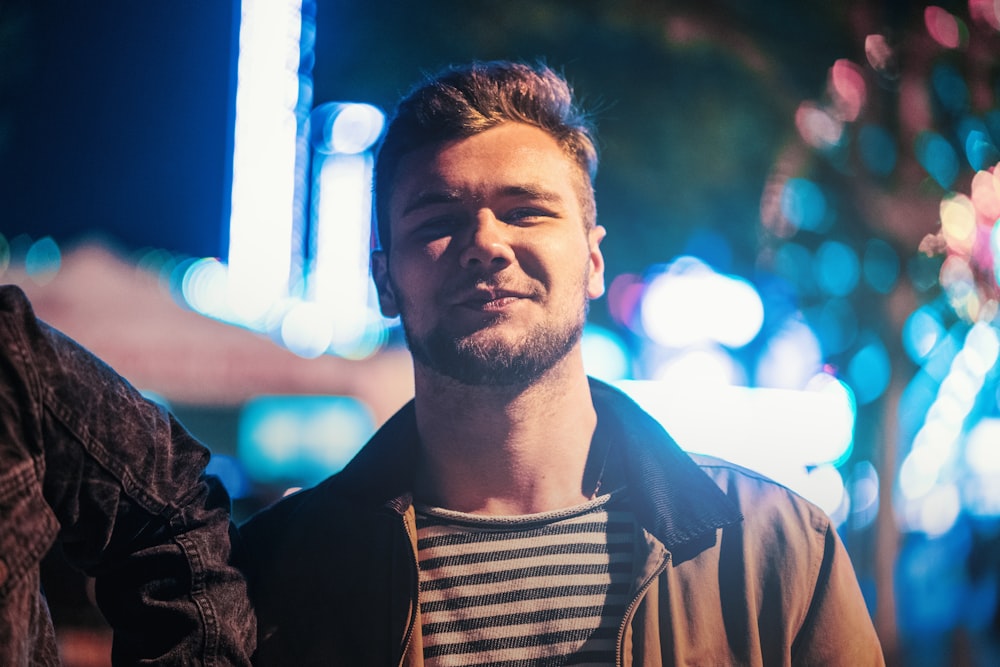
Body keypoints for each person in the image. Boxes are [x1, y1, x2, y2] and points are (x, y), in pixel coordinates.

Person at [2, 60, 885, 665]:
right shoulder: (272, 574)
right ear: (386, 281)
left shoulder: (776, 549)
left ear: (594, 261)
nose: (485, 244)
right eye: (436, 222)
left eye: (526, 209)